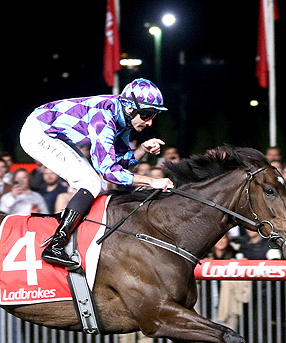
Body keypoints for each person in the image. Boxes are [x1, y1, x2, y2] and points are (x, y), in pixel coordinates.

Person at [19, 78, 174, 268]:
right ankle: (56, 244)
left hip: (55, 134)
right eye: (147, 114)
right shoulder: (104, 118)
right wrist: (152, 182)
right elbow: (109, 171)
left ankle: (78, 238)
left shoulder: (122, 119)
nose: (150, 122)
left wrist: (142, 150)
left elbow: (120, 164)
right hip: (38, 133)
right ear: (130, 108)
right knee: (91, 183)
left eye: (154, 115)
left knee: (98, 185)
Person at [210, 233, 248, 343]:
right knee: (214, 339)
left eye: (224, 238)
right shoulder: (207, 256)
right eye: (218, 239)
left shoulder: (235, 255)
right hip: (211, 304)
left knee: (231, 337)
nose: (221, 241)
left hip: (229, 305)